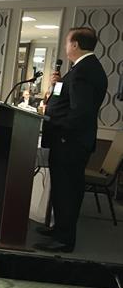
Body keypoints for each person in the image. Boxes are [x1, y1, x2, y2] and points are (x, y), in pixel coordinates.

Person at [35, 27, 108, 253]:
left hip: (69, 142)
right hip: (68, 141)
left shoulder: (84, 71)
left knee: (67, 191)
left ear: (75, 44)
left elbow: (80, 112)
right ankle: (59, 229)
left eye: (67, 42)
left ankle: (65, 240)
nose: (66, 47)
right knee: (61, 188)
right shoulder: (81, 68)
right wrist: (57, 84)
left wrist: (60, 130)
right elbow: (65, 100)